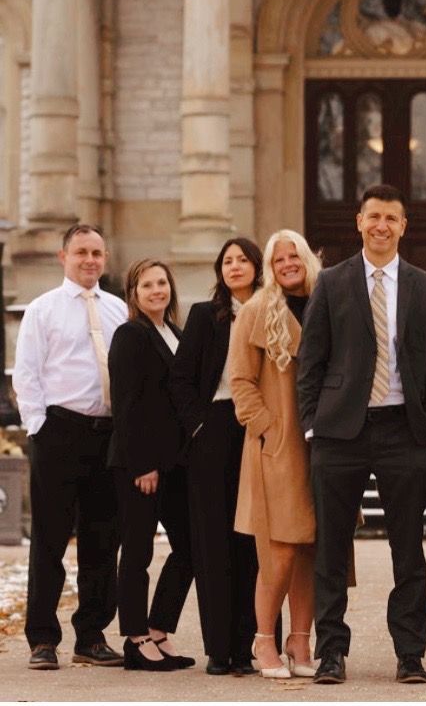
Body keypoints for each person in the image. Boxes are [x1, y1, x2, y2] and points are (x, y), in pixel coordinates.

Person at [297, 184, 426, 685]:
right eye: (374, 217)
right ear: (359, 222)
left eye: (392, 218)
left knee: (408, 551)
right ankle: (331, 653)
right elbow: (312, 359)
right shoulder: (333, 282)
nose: (382, 225)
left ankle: (409, 654)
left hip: (404, 432)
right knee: (332, 550)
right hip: (339, 432)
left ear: (403, 226)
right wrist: (311, 424)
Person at [13, 224, 127, 671]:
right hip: (59, 433)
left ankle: (92, 636)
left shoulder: (119, 310)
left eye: (97, 252)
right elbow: (27, 375)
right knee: (49, 540)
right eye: (81, 252)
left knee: (103, 540)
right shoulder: (43, 310)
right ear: (64, 256)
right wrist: (38, 428)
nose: (90, 260)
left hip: (107, 435)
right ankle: (43, 639)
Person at [229, 230, 320, 679]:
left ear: (306, 258)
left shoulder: (328, 303)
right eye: (278, 257)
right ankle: (264, 638)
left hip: (324, 445)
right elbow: (240, 382)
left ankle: (300, 640)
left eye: (294, 254)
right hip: (279, 446)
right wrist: (267, 430)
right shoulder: (257, 310)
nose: (288, 263)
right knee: (279, 549)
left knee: (312, 549)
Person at [170, 238, 263, 675]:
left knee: (255, 542)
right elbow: (181, 379)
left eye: (242, 259)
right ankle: (220, 649)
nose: (234, 266)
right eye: (227, 261)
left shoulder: (271, 309)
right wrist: (200, 425)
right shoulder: (204, 316)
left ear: (256, 266)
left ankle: (253, 647)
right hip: (215, 427)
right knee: (212, 541)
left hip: (260, 429)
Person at [108, 259, 194, 672]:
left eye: (162, 283)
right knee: (138, 551)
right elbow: (126, 405)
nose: (157, 290)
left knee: (190, 548)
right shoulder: (130, 334)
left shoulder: (173, 332)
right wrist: (142, 464)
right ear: (134, 293)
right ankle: (135, 637)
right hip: (138, 465)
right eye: (147, 285)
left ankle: (159, 628)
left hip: (174, 463)